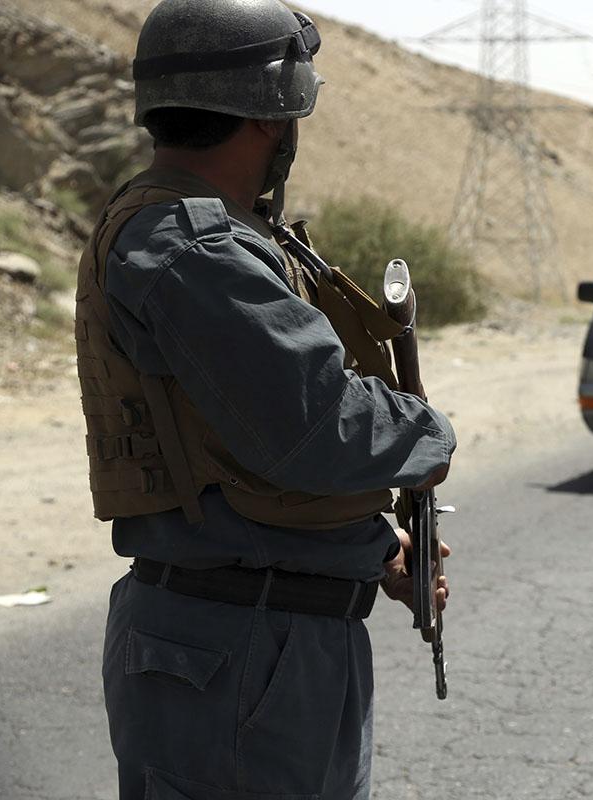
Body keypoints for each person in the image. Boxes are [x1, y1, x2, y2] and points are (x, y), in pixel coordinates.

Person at [76, 2, 455, 797]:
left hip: (255, 634)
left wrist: (370, 549)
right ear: (272, 116)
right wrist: (428, 431)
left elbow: (236, 439)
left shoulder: (205, 232)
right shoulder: (194, 247)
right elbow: (320, 427)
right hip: (243, 647)